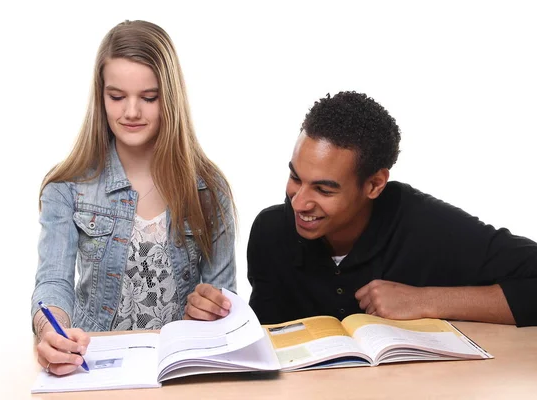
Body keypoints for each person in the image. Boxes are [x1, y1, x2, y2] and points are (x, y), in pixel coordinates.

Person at [187, 91, 537, 327]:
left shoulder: (426, 225)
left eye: (324, 189)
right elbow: (269, 338)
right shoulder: (271, 232)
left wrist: (427, 300)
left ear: (374, 185)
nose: (299, 201)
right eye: (296, 177)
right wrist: (221, 323)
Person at [31, 20, 236, 376]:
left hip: (180, 371)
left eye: (148, 97)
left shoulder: (208, 188)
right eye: (117, 96)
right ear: (101, 96)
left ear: (169, 98)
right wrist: (51, 330)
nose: (131, 112)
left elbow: (225, 298)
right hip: (94, 369)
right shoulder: (67, 187)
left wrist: (211, 309)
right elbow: (53, 282)